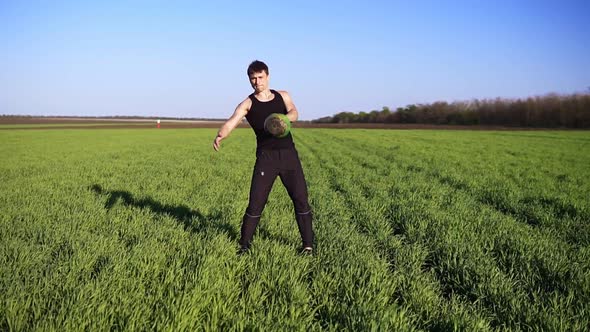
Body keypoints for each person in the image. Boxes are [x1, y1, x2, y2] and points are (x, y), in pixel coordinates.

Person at [213, 60, 314, 255]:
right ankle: (244, 246)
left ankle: (308, 246)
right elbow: (232, 121)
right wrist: (220, 135)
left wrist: (283, 118)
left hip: (288, 157)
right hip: (266, 159)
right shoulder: (248, 103)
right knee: (256, 202)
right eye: (253, 78)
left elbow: (294, 112)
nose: (257, 82)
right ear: (249, 80)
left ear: (267, 76)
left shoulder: (282, 95)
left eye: (260, 77)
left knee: (301, 199)